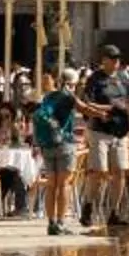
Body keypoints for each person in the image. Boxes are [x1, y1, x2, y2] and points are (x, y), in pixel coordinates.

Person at [79, 46, 129, 234]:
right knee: (100, 171)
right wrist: (103, 110)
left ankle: (114, 212)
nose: (116, 62)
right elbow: (87, 103)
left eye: (118, 59)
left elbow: (128, 102)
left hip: (120, 131)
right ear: (104, 59)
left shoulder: (123, 78)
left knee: (119, 171)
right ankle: (88, 204)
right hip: (100, 130)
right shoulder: (95, 79)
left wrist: (116, 108)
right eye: (112, 58)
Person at [31, 75, 81, 236]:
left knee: (51, 184)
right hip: (64, 143)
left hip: (47, 144)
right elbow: (84, 108)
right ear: (69, 83)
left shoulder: (47, 98)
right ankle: (60, 222)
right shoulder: (67, 97)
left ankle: (51, 223)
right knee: (64, 184)